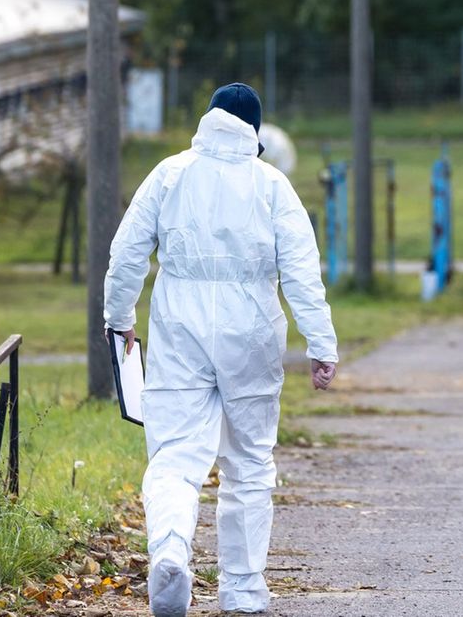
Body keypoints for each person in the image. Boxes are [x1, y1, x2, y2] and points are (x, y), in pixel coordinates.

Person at [104, 83, 338, 616]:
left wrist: (118, 323)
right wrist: (322, 343)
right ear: (256, 131)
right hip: (252, 332)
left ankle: (168, 552)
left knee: (175, 457)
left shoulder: (169, 174)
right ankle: (243, 589)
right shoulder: (272, 185)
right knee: (250, 462)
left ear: (207, 119)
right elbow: (303, 272)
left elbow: (127, 254)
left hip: (178, 330)